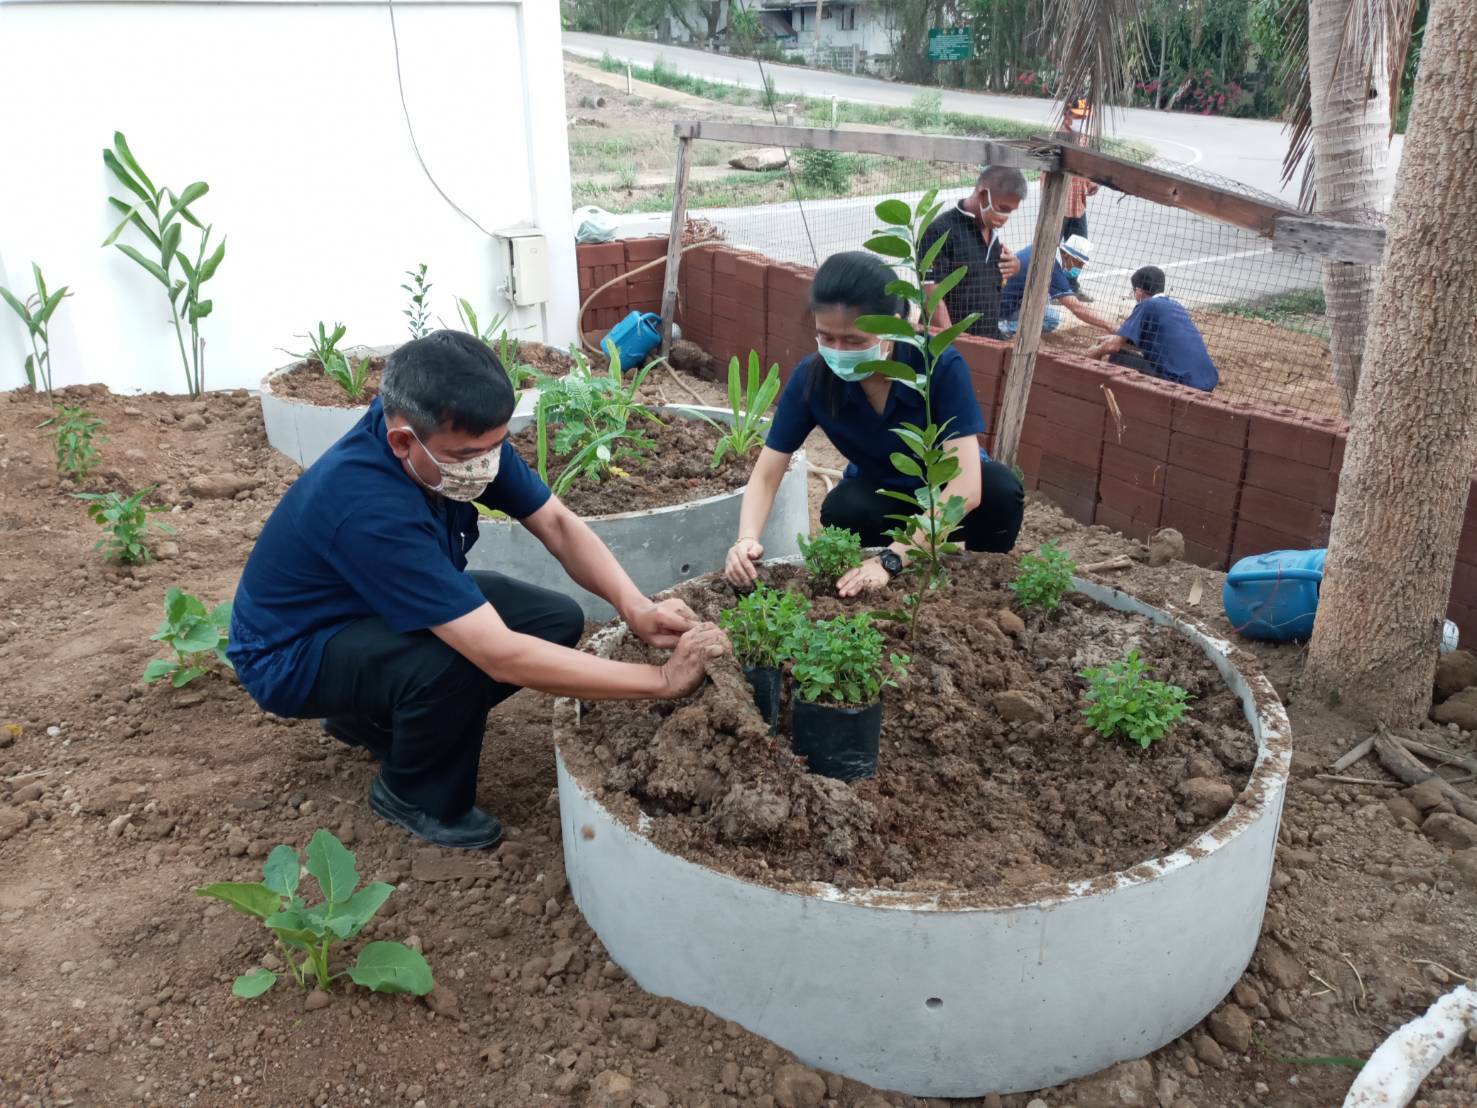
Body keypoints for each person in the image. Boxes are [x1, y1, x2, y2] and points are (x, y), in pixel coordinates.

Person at [229, 331, 728, 850]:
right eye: (471, 454)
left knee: (550, 619)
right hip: (291, 653)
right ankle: (414, 793)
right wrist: (662, 680)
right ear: (402, 440)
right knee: (454, 663)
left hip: (360, 612)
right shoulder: (367, 506)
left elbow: (555, 523)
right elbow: (499, 656)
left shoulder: (454, 439)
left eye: (497, 445)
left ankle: (373, 716)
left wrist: (635, 607)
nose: (486, 465)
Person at [725, 252, 1025, 596]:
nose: (839, 350)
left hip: (948, 495)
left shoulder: (936, 366)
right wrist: (746, 539)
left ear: (894, 324)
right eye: (826, 337)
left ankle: (974, 577)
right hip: (888, 496)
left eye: (854, 340)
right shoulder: (813, 380)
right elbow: (766, 474)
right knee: (843, 509)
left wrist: (891, 561)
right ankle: (889, 569)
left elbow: (966, 489)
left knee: (1000, 490)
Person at [920, 165, 1027, 338]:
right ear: (983, 195)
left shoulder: (992, 234)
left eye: (1010, 212)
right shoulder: (940, 231)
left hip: (986, 339)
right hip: (948, 344)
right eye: (1002, 208)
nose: (1005, 218)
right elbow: (932, 299)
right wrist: (954, 346)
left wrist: (1014, 266)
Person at [1086, 266, 1219, 392]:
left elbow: (1113, 347)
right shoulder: (1174, 306)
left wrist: (1094, 354)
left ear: (1138, 291)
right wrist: (1113, 339)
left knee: (1118, 357)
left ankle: (1096, 390)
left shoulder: (1146, 305)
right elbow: (1155, 343)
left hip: (1182, 385)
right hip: (1208, 382)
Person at [997, 235, 1116, 337]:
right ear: (1066, 256)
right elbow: (1077, 308)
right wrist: (1108, 324)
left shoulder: (1041, 249)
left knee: (1045, 299)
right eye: (1078, 264)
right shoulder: (1051, 267)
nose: (1079, 269)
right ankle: (1005, 327)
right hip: (1004, 307)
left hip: (999, 298)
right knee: (1052, 319)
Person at [1059, 97, 1099, 301]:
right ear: (1067, 114)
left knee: (1079, 246)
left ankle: (1071, 286)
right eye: (1078, 116)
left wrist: (1091, 181)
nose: (1081, 120)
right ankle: (1051, 288)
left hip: (1078, 203)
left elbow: (1087, 165)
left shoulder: (1082, 137)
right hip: (1058, 204)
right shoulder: (1058, 136)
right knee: (1051, 246)